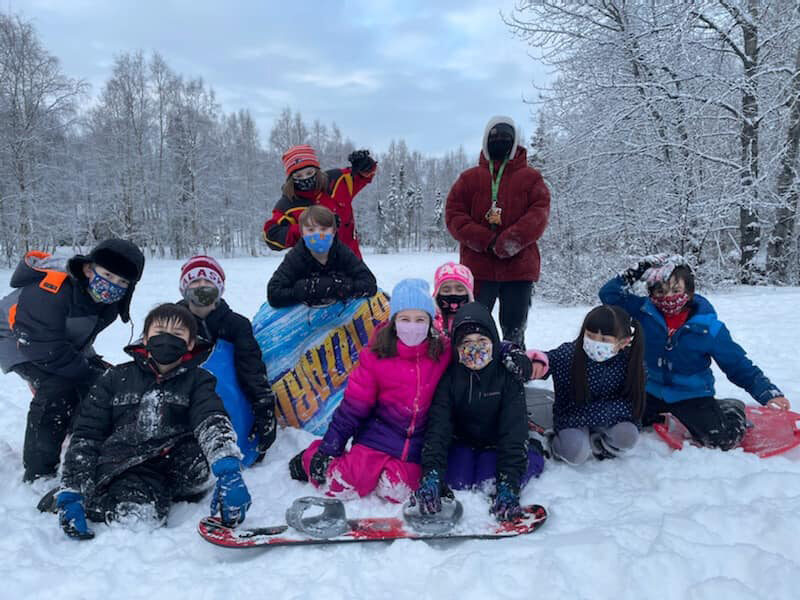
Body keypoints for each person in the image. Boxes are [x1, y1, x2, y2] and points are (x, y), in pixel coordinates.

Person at [53, 303, 251, 539]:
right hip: (128, 463)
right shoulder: (115, 378)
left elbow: (211, 418)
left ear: (190, 343)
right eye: (159, 333)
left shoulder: (199, 380)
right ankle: (102, 499)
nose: (167, 340)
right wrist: (73, 491)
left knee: (205, 462)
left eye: (177, 335)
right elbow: (87, 433)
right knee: (136, 519)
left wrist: (228, 469)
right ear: (145, 338)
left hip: (177, 463)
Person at [600, 255, 790, 450]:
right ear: (651, 293)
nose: (668, 297)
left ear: (689, 292)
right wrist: (636, 270)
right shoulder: (643, 312)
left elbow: (737, 365)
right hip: (650, 390)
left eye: (676, 290)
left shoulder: (709, 328)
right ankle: (658, 414)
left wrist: (768, 392)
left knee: (720, 440)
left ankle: (732, 408)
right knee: (617, 416)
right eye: (660, 291)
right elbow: (608, 294)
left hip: (691, 395)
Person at [288, 279, 450, 503]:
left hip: (415, 447)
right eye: (405, 319)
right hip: (376, 439)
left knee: (397, 491)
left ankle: (387, 474)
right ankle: (309, 457)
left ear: (430, 322)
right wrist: (328, 449)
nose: (412, 326)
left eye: (420, 319)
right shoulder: (376, 355)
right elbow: (353, 408)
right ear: (394, 321)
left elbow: (476, 344)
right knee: (343, 486)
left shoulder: (441, 352)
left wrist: (505, 349)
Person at [0, 239, 145, 482]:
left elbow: (79, 337)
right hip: (17, 340)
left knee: (104, 380)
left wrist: (94, 369)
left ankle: (84, 435)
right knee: (58, 390)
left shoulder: (107, 301)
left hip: (57, 342)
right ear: (89, 269)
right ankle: (39, 470)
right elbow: (44, 348)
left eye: (122, 282)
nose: (114, 285)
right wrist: (86, 371)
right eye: (108, 274)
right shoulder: (50, 292)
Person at [413, 302, 543, 522]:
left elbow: (514, 432)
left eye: (482, 341)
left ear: (494, 341)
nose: (475, 348)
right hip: (464, 441)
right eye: (467, 343)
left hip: (498, 442)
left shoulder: (507, 377)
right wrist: (431, 475)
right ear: (457, 347)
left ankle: (534, 452)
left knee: (489, 480)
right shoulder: (449, 379)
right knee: (458, 479)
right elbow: (438, 428)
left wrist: (509, 484)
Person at [445, 115, 550, 348]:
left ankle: (513, 372)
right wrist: (486, 240)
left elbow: (539, 214)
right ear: (485, 140)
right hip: (478, 269)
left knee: (514, 330)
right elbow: (453, 215)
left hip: (519, 269)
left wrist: (507, 242)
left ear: (514, 142)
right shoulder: (469, 178)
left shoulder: (531, 178)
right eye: (494, 136)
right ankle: (472, 373)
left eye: (506, 137)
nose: (500, 141)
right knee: (473, 327)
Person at [177, 255, 277, 462]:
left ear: (220, 289)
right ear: (184, 289)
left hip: (228, 400)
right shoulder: (172, 322)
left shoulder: (236, 325)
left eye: (209, 282)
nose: (202, 287)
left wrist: (264, 406)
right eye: (195, 282)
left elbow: (251, 369)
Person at [530, 305, 646, 465]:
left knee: (627, 436)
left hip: (612, 416)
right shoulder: (569, 354)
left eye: (605, 340)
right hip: (573, 416)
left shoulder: (631, 363)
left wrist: (605, 413)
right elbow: (547, 359)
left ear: (623, 342)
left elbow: (632, 403)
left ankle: (600, 441)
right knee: (574, 452)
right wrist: (536, 361)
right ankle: (556, 442)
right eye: (590, 336)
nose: (595, 343)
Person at [263, 144, 377, 259]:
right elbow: (271, 237)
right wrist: (310, 229)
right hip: (315, 269)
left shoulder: (337, 181)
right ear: (291, 179)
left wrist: (365, 165)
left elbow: (363, 176)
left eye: (309, 173)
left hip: (351, 262)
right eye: (298, 175)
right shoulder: (288, 204)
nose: (305, 179)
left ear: (317, 170)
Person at [267, 205, 377, 308]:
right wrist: (306, 289)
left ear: (333, 231)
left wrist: (339, 286)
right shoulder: (296, 256)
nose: (318, 235)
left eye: (323, 229)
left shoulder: (342, 252)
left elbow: (369, 284)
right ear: (302, 233)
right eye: (310, 230)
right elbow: (273, 293)